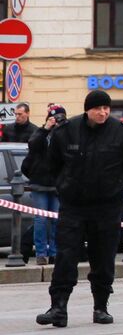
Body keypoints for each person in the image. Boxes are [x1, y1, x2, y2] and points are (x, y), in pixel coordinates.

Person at [33, 90, 123, 327]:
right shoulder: (66, 131)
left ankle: (100, 307)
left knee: (103, 257)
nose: (102, 113)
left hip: (107, 206)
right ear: (87, 109)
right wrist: (65, 186)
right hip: (74, 206)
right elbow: (53, 165)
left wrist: (119, 186)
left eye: (106, 108)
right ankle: (58, 307)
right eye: (97, 108)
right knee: (66, 256)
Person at [21, 104, 65, 264]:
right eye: (54, 117)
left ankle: (54, 252)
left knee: (56, 220)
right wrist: (46, 128)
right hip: (40, 184)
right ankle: (41, 253)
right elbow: (32, 143)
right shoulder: (41, 133)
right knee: (40, 219)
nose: (57, 120)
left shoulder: (65, 133)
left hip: (57, 185)